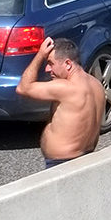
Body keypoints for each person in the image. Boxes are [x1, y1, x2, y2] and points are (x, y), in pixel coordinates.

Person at [15, 37, 105, 168]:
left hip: (62, 164)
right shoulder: (96, 85)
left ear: (68, 64)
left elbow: (23, 88)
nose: (47, 69)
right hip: (87, 158)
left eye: (50, 63)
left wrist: (40, 55)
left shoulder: (66, 88)